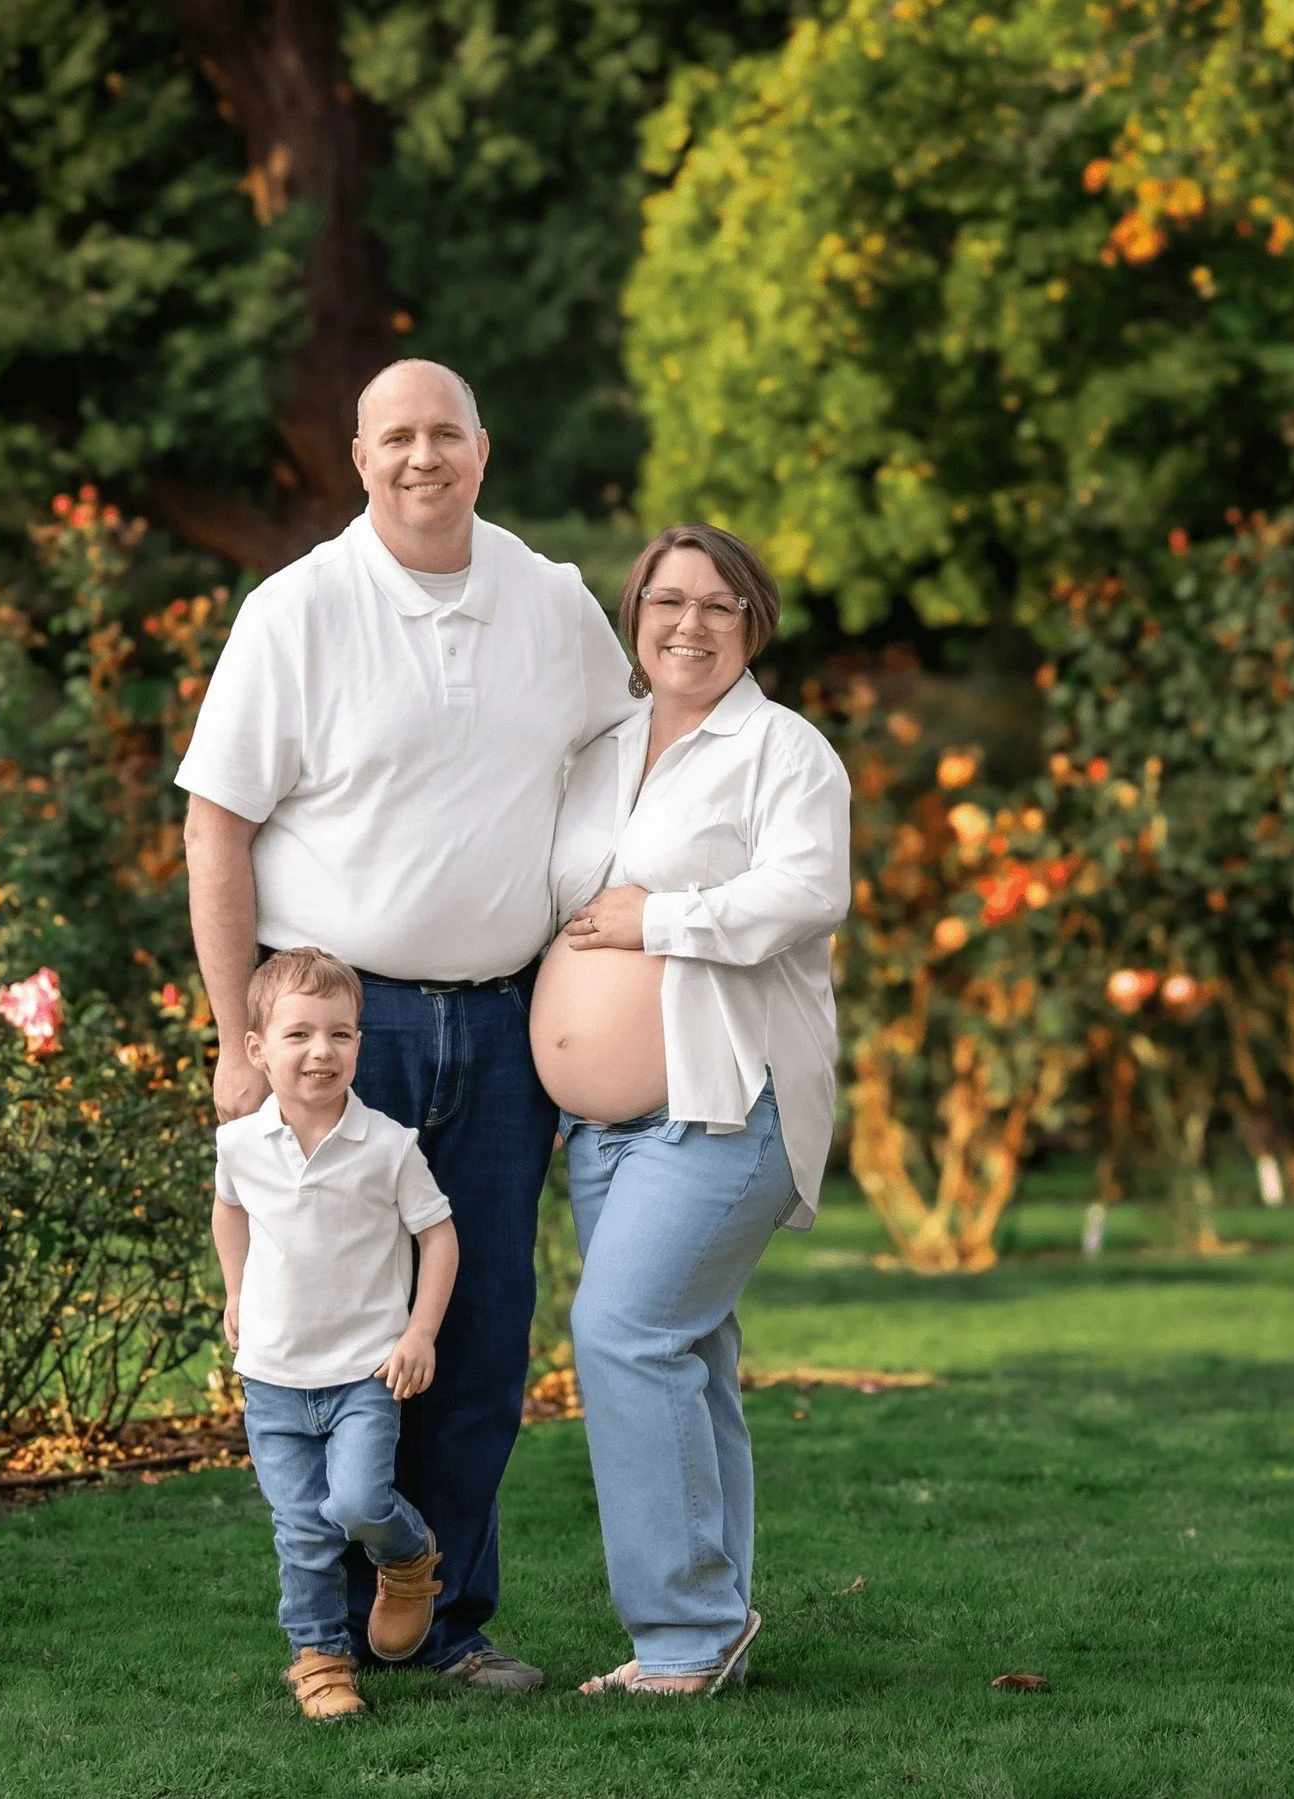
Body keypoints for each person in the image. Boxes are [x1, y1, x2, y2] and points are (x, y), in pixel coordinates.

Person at [178, 358, 635, 1688]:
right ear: (359, 455)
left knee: (479, 1330)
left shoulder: (552, 602)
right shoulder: (298, 612)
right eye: (397, 437)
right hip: (339, 1030)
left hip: (505, 1031)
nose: (422, 457)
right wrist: (233, 1038)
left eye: (446, 434)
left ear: (484, 452)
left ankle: (443, 1619)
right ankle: (328, 1624)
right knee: (323, 1327)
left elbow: (628, 777)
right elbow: (216, 826)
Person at [530, 523, 851, 1696]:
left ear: (752, 621)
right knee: (687, 1351)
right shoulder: (601, 745)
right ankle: (710, 1622)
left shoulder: (785, 749)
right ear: (636, 616)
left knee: (624, 1332)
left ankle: (680, 1636)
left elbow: (810, 892)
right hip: (606, 1131)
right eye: (668, 600)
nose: (690, 623)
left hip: (728, 1103)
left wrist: (657, 918)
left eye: (719, 604)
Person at [213, 947, 459, 1720]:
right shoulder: (240, 1143)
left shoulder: (388, 1144)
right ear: (258, 1048)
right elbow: (230, 1209)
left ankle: (410, 1555)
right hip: (274, 1376)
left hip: (362, 1373)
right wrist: (234, 1291)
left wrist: (420, 1331)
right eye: (298, 1035)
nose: (321, 1051)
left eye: (340, 1034)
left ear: (359, 1043)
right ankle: (320, 1660)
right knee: (301, 1530)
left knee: (355, 1502)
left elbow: (440, 1236)